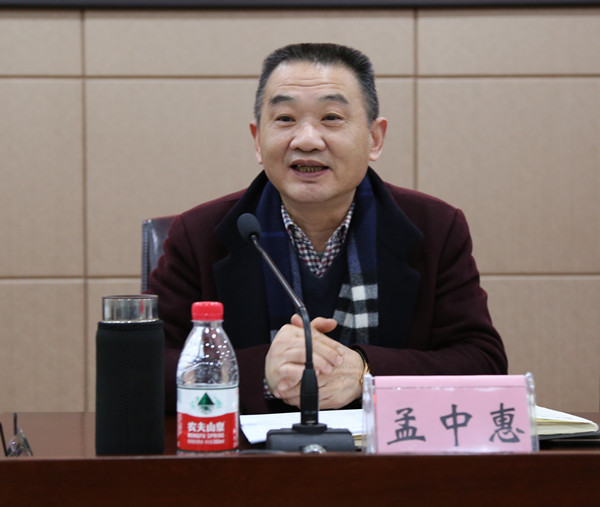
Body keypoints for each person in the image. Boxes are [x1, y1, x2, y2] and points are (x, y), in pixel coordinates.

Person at [147, 42, 507, 415]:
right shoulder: (200, 234)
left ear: (375, 139)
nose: (306, 140)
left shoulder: (435, 228)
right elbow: (141, 366)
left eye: (331, 117)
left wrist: (367, 372)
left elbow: (483, 362)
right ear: (257, 139)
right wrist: (258, 371)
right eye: (285, 119)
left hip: (383, 448)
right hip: (247, 450)